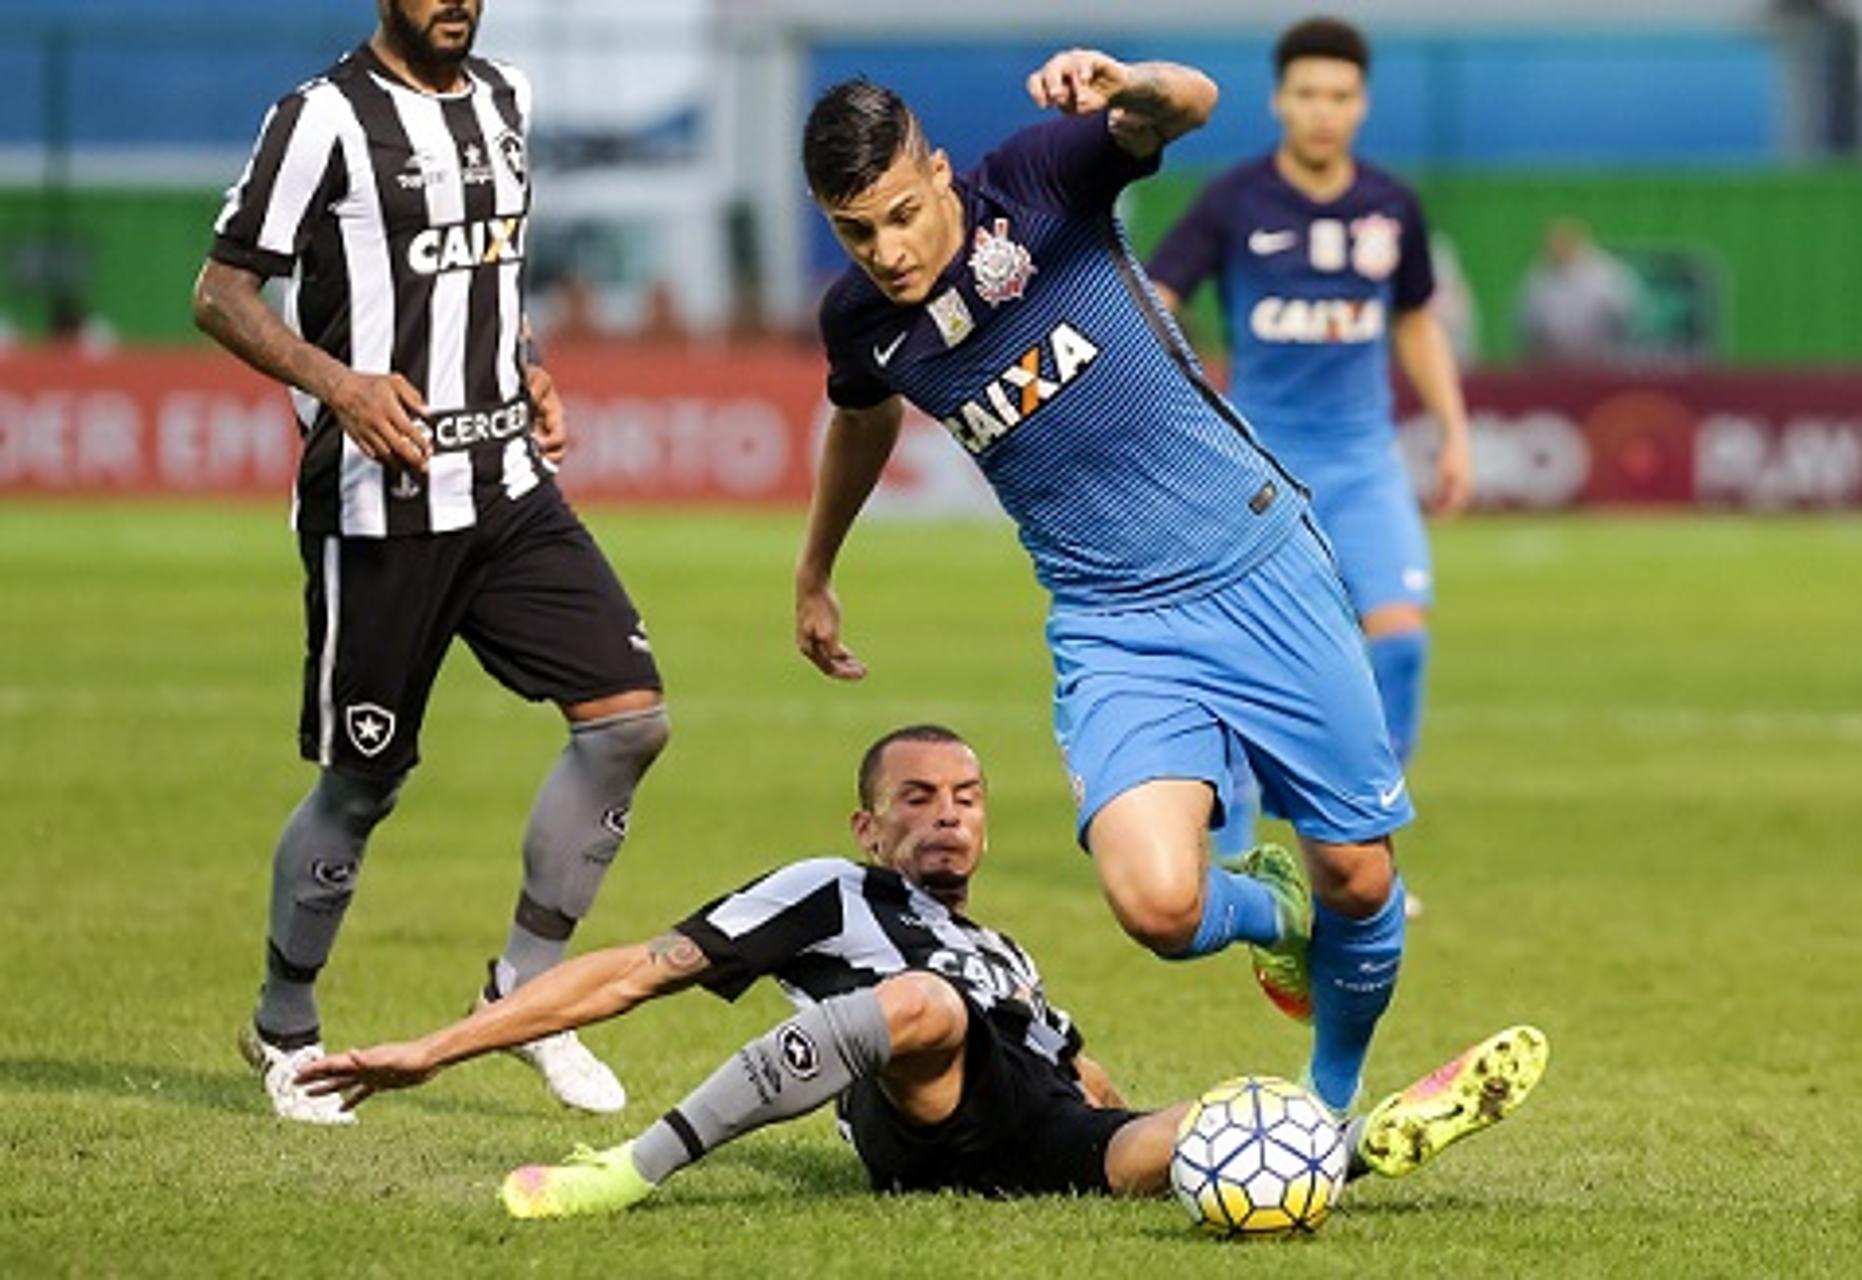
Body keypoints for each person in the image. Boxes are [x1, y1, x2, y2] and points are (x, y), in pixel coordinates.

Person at [792, 49, 1408, 1119]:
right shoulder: (860, 319)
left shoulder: (1036, 182)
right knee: (1159, 906)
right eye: (856, 231)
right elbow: (864, 412)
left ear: (937, 171)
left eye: (900, 213)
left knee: (1358, 876)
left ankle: (1331, 1100)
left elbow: (1193, 104)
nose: (887, 251)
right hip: (1112, 624)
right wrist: (816, 565)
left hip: (1256, 563)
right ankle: (1264, 906)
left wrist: (1128, 85)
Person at [293, 726, 1549, 1217]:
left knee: (1233, 1122)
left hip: (1030, 1118)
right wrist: (438, 1045)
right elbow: (635, 969)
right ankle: (622, 1173)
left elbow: (1074, 1068)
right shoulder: (827, 890)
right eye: (916, 799)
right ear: (870, 825)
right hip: (919, 1101)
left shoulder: (1005, 947)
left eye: (966, 798)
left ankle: (1354, 1142)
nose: (947, 817)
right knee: (928, 1007)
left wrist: (1134, 1119)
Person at [190, 0, 669, 1124]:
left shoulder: (508, 98)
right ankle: (285, 1025)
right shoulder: (320, 119)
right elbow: (220, 293)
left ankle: (524, 988)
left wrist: (532, 360)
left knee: (629, 718)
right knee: (363, 783)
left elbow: (486, 275)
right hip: (379, 504)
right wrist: (338, 384)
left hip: (506, 482)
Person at [1147, 17, 1473, 863]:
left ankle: (1358, 843)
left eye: (1338, 96)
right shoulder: (1234, 199)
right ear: (1279, 100)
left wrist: (1453, 430)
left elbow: (1415, 322)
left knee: (1399, 639)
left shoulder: (1390, 204)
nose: (1322, 112)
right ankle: (1243, 850)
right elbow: (1157, 299)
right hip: (1260, 466)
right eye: (1307, 95)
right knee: (1245, 657)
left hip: (1364, 463)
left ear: (1361, 104)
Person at [1518, 217, 1639, 366]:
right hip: (1555, 366)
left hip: (1604, 365)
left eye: (1564, 242)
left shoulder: (1608, 274)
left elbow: (1628, 320)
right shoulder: (1537, 279)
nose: (1559, 249)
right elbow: (1528, 327)